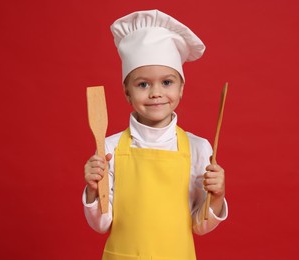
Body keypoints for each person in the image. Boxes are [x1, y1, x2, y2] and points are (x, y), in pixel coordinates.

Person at [83, 9, 228, 260]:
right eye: (142, 84)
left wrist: (217, 196)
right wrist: (94, 190)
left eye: (167, 82)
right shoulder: (108, 147)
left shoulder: (198, 148)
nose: (155, 93)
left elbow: (199, 226)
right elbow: (101, 224)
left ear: (181, 88)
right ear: (127, 92)